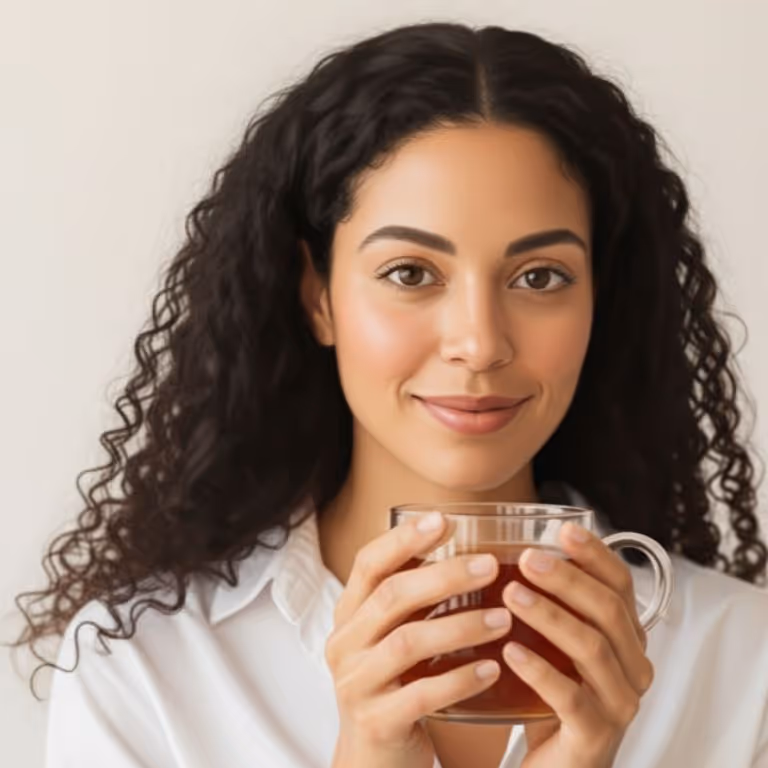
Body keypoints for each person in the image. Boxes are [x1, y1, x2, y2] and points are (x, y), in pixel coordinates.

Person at [5, 20, 767, 768]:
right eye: (410, 273)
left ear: (600, 298)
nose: (479, 342)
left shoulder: (743, 663)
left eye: (540, 277)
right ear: (318, 296)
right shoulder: (145, 666)